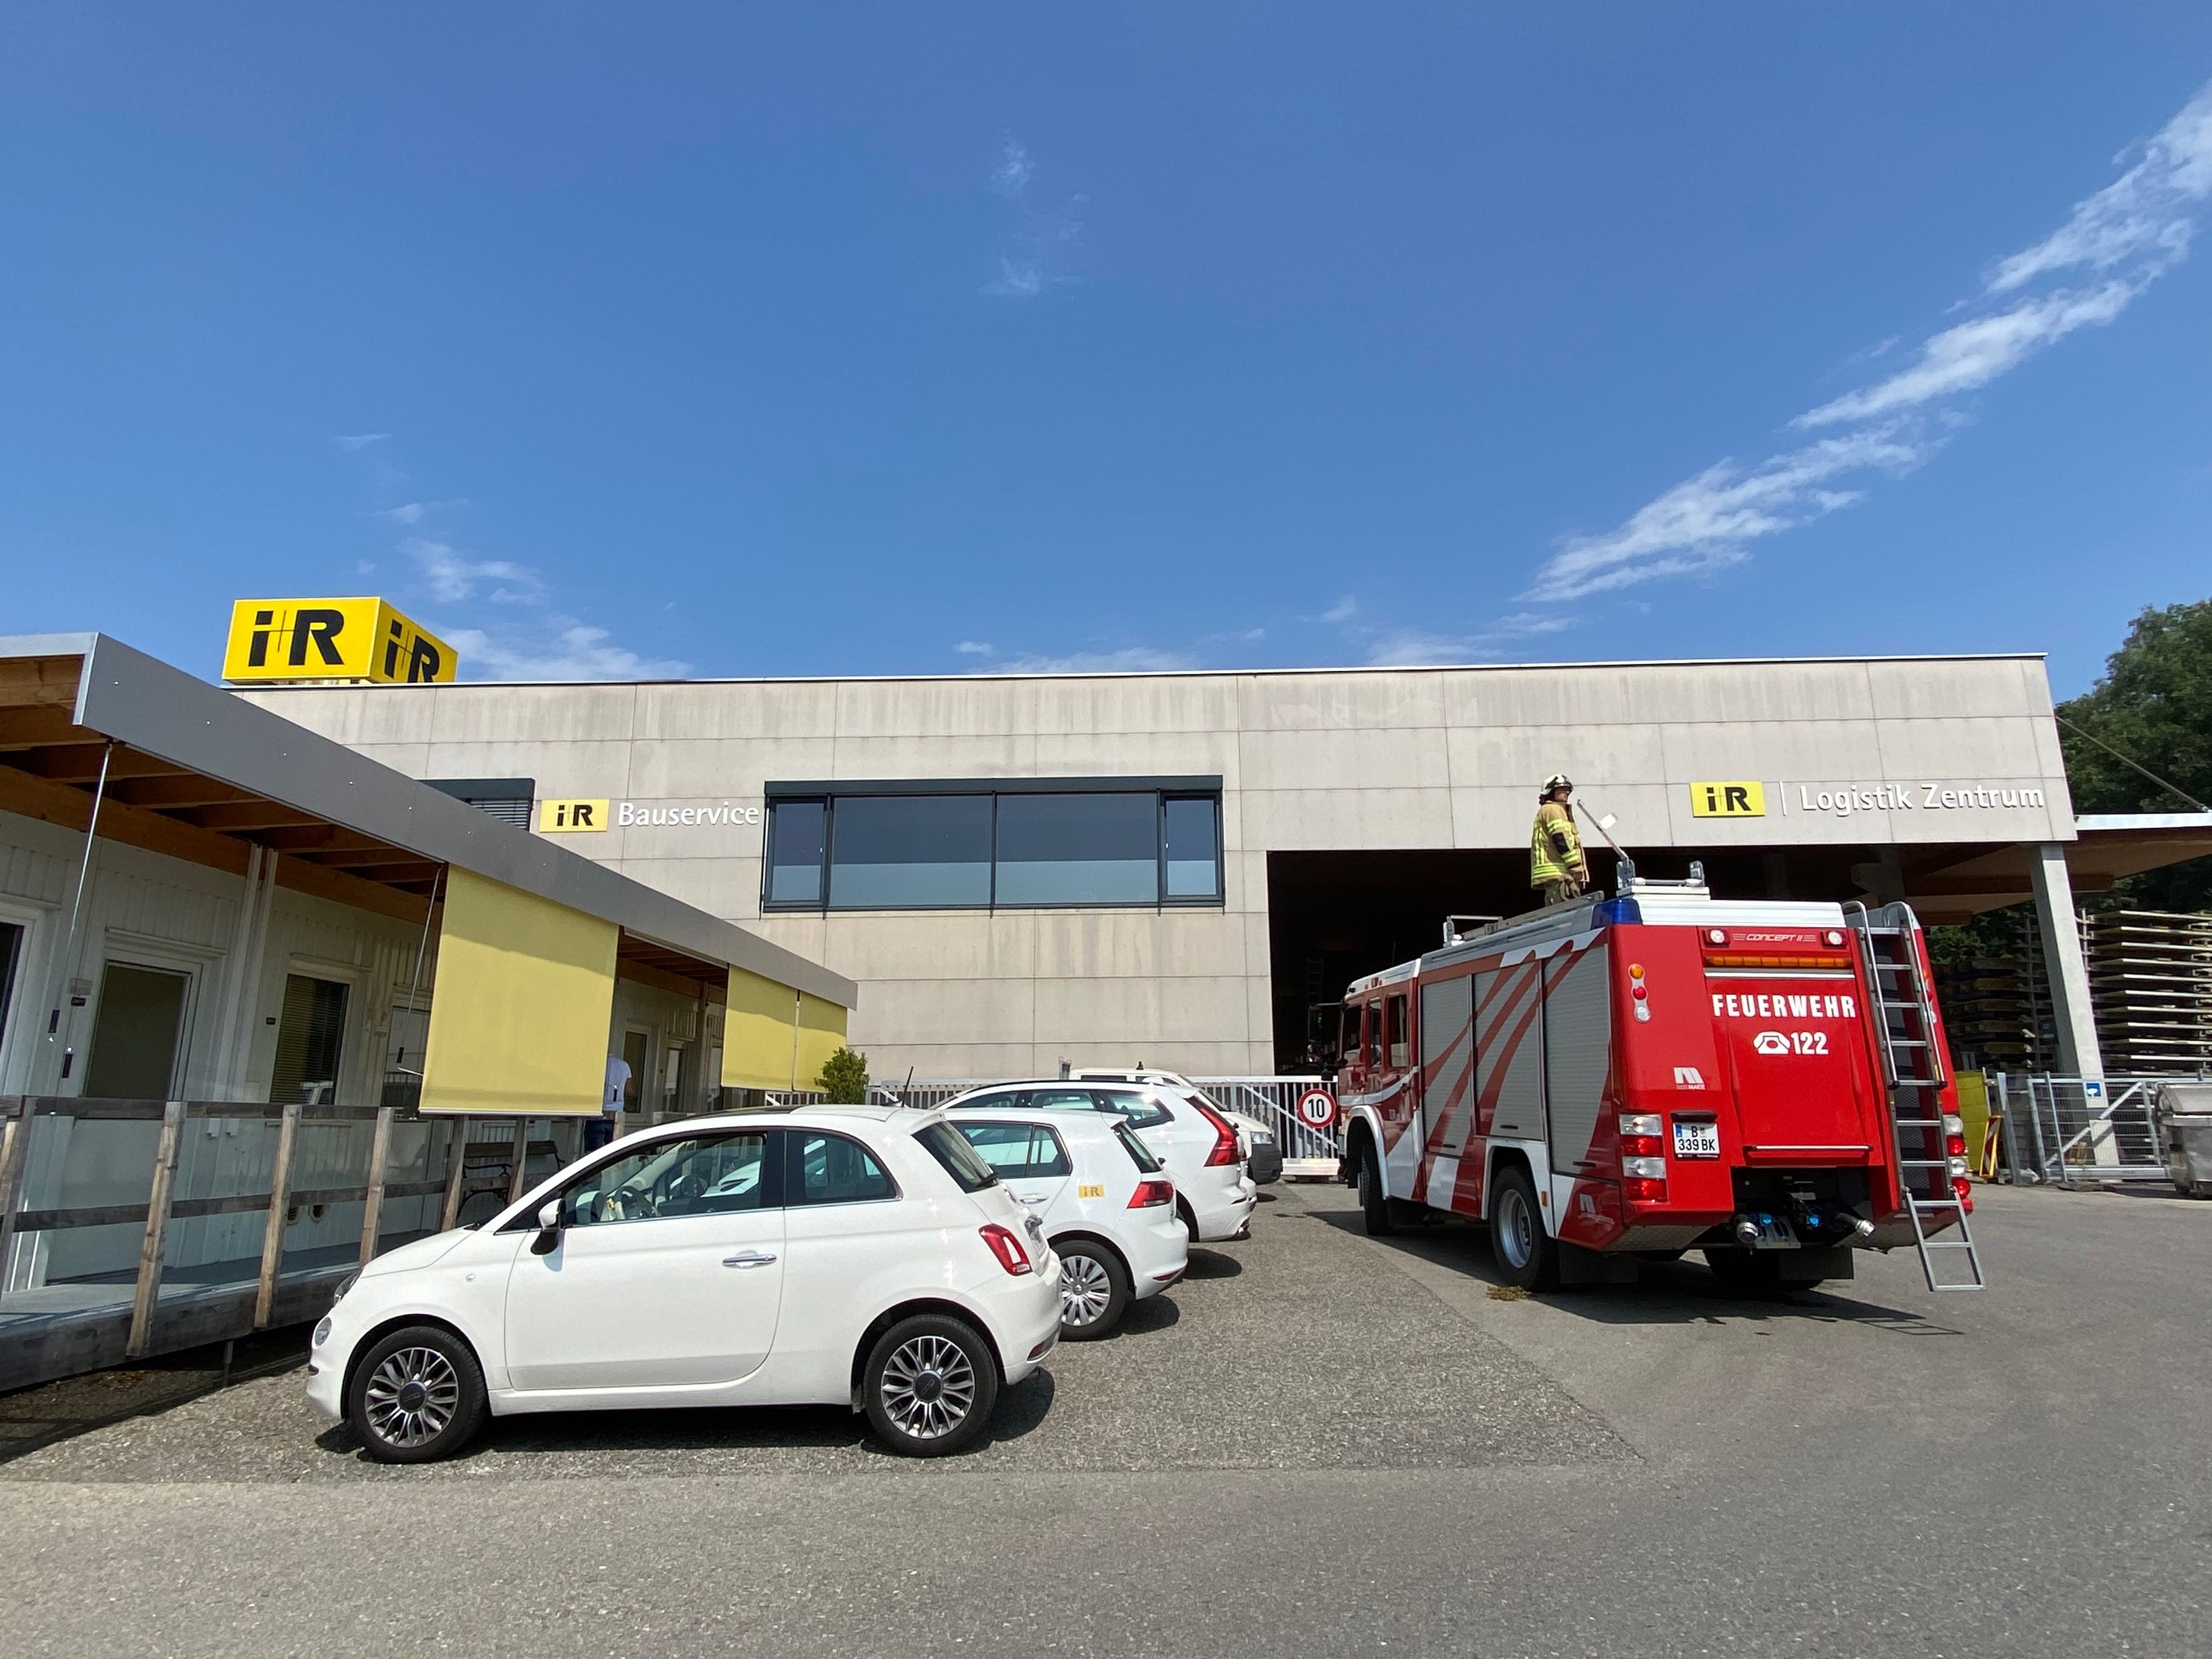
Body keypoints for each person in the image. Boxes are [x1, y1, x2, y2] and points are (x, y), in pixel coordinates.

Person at [1530, 774, 1587, 906]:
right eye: (1562, 789)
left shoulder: (1547, 810)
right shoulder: (1554, 810)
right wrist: (1575, 865)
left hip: (1555, 876)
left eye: (1568, 789)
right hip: (1560, 874)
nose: (1567, 792)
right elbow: (1560, 838)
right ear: (1550, 792)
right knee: (1569, 912)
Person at [586, 1052, 630, 1151]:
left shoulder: (596, 1065)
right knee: (612, 1151)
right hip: (616, 1113)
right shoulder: (624, 1066)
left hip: (596, 1112)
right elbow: (629, 1090)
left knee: (594, 1152)